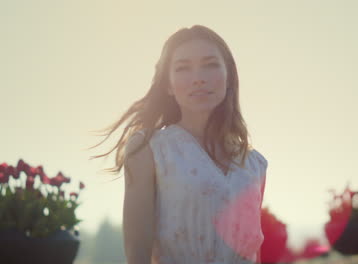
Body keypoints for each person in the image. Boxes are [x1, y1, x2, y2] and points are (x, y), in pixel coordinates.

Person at [89, 25, 268, 264]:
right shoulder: (149, 149)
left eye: (210, 65)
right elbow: (137, 253)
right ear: (168, 85)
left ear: (229, 78)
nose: (198, 78)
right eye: (183, 68)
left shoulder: (255, 164)